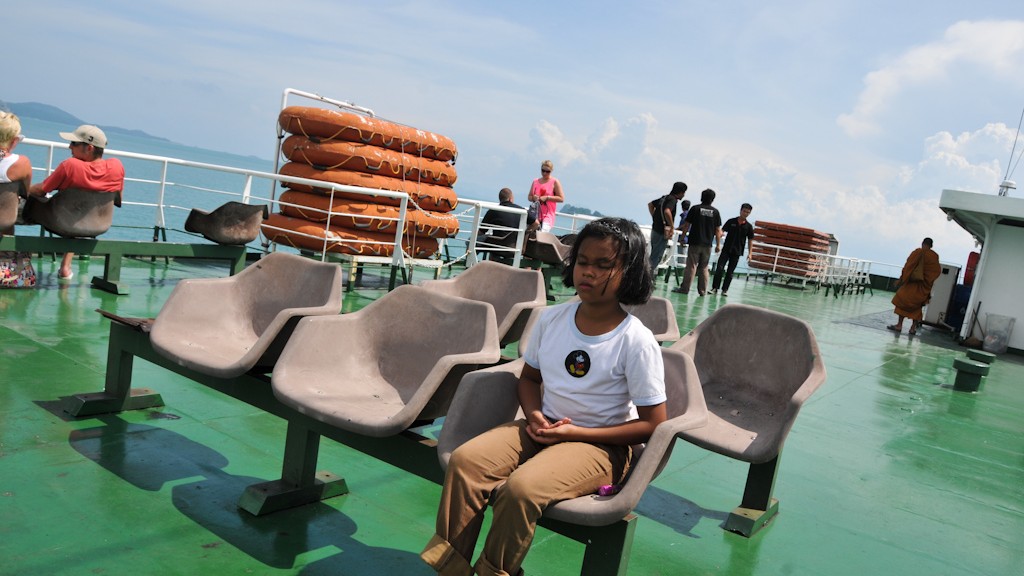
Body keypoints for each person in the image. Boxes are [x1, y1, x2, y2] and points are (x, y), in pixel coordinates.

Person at [422, 217, 666, 576]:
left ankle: (494, 572)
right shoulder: (552, 320)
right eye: (583, 261)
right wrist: (534, 414)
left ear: (628, 273)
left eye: (603, 265)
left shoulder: (635, 340)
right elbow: (529, 379)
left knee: (521, 489)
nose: (588, 272)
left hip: (599, 446)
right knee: (465, 463)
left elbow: (651, 424)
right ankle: (451, 567)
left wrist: (574, 434)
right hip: (543, 426)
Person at [27, 125, 125, 280]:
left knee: (26, 204)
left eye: (74, 143)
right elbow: (118, 200)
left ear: (89, 148)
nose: (69, 146)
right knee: (79, 210)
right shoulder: (116, 167)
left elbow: (42, 190)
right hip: (98, 225)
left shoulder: (70, 165)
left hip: (62, 222)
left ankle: (11, 256)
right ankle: (65, 267)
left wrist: (24, 189)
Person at [673, 188, 722, 296]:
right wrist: (718, 245)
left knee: (691, 266)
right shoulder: (715, 212)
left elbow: (687, 225)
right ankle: (702, 291)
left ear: (701, 197)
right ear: (712, 199)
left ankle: (685, 289)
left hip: (695, 242)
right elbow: (718, 230)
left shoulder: (695, 209)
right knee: (704, 267)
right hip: (707, 245)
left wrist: (682, 238)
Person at [888, 238, 941, 335]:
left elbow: (908, 267)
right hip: (923, 287)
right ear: (931, 246)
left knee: (902, 302)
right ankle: (912, 328)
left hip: (911, 284)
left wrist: (901, 279)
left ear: (922, 243)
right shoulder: (933, 256)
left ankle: (899, 325)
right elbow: (936, 272)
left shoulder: (917, 253)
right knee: (917, 307)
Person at [711, 203, 755, 296]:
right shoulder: (731, 221)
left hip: (737, 251)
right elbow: (722, 231)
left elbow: (750, 240)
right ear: (740, 210)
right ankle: (715, 288)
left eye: (748, 212)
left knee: (730, 272)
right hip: (726, 249)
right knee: (719, 268)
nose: (745, 213)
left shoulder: (749, 226)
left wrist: (750, 253)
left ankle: (725, 290)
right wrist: (719, 237)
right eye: (744, 211)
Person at [0, 112, 33, 235]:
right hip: (4, 219)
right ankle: (7, 252)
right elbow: (26, 192)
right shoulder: (22, 163)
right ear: (14, 140)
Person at [478, 187, 536, 255]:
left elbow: (481, 232)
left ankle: (470, 263)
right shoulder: (522, 211)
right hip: (513, 246)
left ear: (500, 199)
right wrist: (525, 233)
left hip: (495, 246)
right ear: (510, 199)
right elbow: (536, 223)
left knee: (471, 240)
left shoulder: (493, 211)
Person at [647, 181, 687, 272]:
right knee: (656, 256)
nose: (684, 195)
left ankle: (646, 276)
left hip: (655, 229)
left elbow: (650, 205)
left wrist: (655, 218)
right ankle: (646, 278)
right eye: (684, 193)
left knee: (654, 254)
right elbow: (667, 211)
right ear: (680, 192)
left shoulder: (664, 198)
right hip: (662, 232)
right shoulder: (672, 200)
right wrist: (672, 226)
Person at [527, 160, 564, 232]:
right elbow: (529, 197)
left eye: (547, 171)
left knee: (543, 232)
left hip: (548, 214)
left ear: (551, 171)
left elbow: (561, 198)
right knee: (528, 232)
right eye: (543, 170)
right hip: (535, 213)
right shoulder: (535, 181)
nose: (544, 173)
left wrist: (547, 198)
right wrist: (533, 198)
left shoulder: (554, 181)